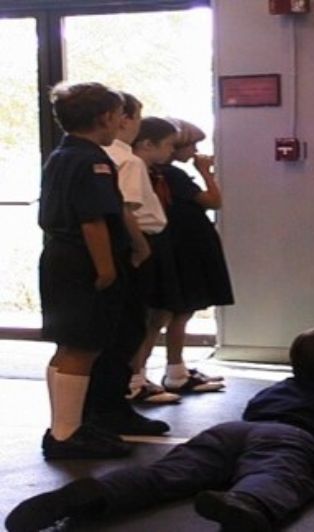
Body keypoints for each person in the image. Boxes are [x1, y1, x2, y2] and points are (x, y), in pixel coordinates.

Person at [5, 327, 314, 532]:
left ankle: (97, 492)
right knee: (275, 474)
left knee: (167, 474)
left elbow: (252, 417)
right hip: (290, 438)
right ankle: (248, 502)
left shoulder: (275, 389)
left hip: (233, 431)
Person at [37, 81, 134, 459]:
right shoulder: (90, 159)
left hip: (60, 257)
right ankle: (65, 435)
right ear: (106, 117)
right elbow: (92, 221)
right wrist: (107, 268)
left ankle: (65, 424)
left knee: (68, 346)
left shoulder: (62, 154)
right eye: (119, 116)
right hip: (84, 260)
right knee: (83, 346)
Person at [83, 103, 179, 443]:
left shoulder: (102, 156)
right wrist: (140, 248)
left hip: (125, 248)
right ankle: (111, 406)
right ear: (120, 118)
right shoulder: (123, 159)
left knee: (123, 329)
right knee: (127, 329)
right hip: (131, 249)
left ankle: (108, 403)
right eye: (136, 117)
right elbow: (125, 211)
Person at [131, 117, 233, 395]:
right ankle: (143, 375)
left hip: (180, 243)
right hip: (180, 245)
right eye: (191, 145)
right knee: (169, 311)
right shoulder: (170, 175)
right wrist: (206, 172)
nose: (195, 150)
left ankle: (171, 370)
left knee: (172, 311)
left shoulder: (162, 173)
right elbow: (214, 200)